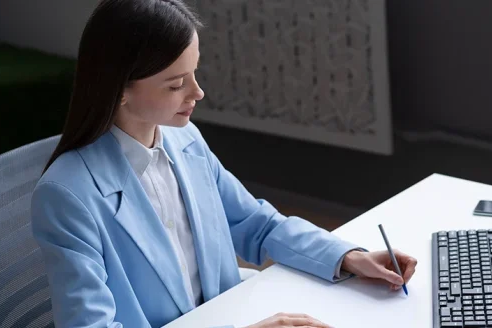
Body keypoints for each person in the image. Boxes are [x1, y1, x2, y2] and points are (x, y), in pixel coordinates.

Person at [30, 0, 417, 327]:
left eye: (193, 73)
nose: (197, 92)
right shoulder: (66, 196)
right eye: (175, 84)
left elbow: (256, 224)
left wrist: (347, 257)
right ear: (120, 90)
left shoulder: (185, 140)